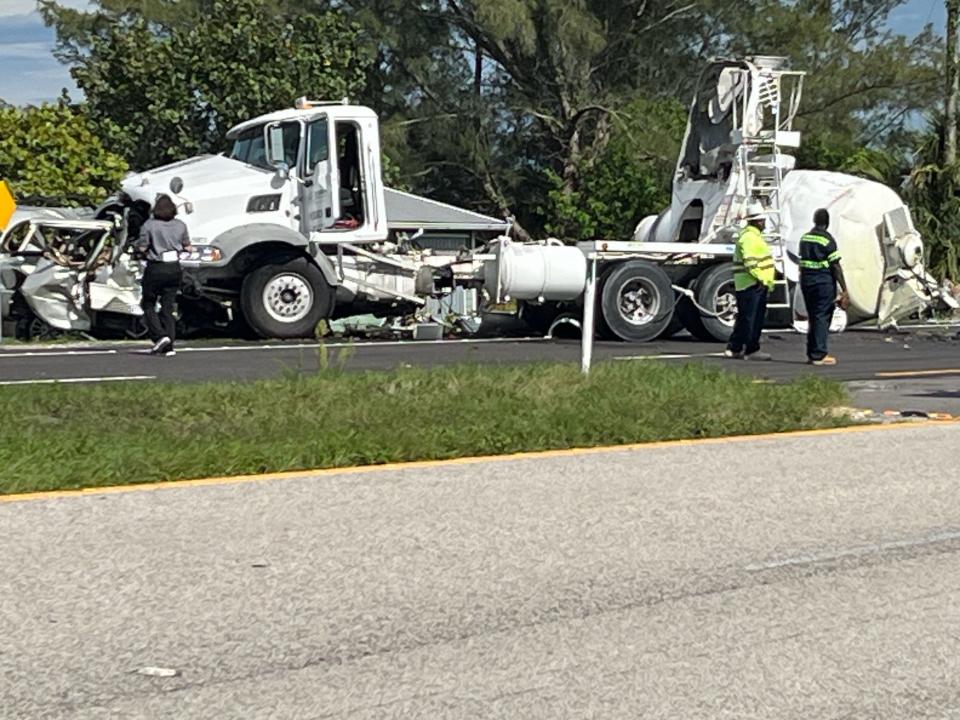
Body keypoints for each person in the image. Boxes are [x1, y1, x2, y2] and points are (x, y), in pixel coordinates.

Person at [136, 194, 191, 356]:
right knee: (168, 307)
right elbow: (187, 246)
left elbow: (142, 247)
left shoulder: (149, 225)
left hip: (156, 267)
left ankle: (159, 336)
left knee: (148, 303)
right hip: (174, 268)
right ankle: (170, 346)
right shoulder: (181, 225)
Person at [726, 199, 776, 361]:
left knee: (746, 317)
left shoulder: (751, 236)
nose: (764, 223)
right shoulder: (749, 238)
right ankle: (751, 349)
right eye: (763, 220)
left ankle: (735, 347)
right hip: (752, 283)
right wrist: (760, 279)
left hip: (751, 283)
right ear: (758, 221)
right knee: (752, 319)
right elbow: (750, 261)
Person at [799, 208, 849, 366]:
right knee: (822, 316)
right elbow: (835, 266)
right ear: (827, 223)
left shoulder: (805, 238)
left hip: (807, 282)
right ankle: (819, 354)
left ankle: (811, 352)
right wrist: (844, 288)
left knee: (813, 316)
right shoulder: (827, 240)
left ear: (814, 221)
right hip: (822, 283)